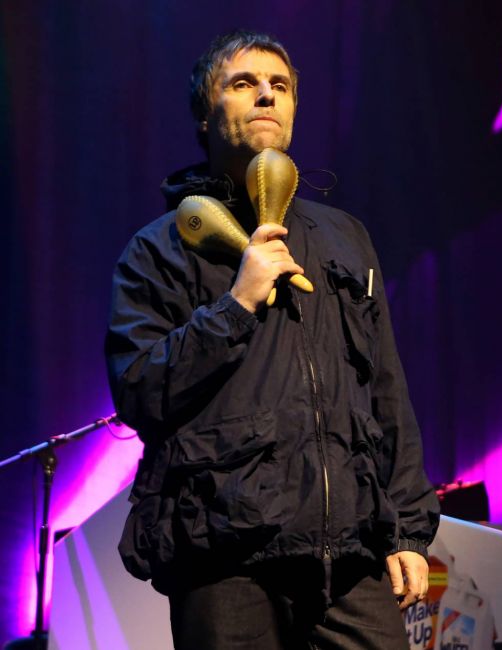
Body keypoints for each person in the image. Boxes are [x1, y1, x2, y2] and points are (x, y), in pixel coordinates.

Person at [105, 30, 439, 650]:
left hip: (349, 553)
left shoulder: (344, 237)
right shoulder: (157, 249)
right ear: (205, 116)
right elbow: (139, 390)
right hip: (225, 552)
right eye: (242, 84)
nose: (265, 95)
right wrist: (236, 305)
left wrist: (410, 533)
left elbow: (387, 388)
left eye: (279, 87)